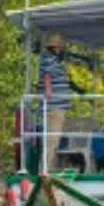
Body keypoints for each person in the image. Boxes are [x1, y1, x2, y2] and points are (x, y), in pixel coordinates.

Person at [39, 31, 71, 173]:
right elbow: (47, 74)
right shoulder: (49, 59)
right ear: (56, 47)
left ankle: (50, 169)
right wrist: (48, 89)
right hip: (54, 106)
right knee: (51, 140)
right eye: (60, 47)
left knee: (55, 140)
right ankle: (45, 170)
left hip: (59, 107)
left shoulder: (54, 60)